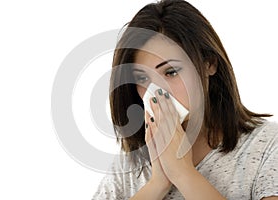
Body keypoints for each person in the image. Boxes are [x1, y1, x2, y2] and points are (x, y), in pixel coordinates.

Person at [92, 0, 278, 199]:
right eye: (143, 78)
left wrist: (183, 173)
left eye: (171, 72)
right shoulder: (128, 168)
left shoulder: (266, 146)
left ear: (209, 64)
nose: (157, 92)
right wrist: (157, 184)